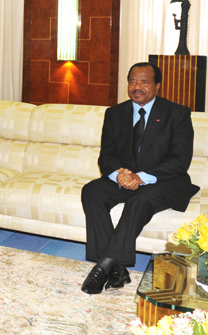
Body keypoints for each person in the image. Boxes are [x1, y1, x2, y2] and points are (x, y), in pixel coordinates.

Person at [80, 62, 199, 294]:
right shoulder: (115, 113)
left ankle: (103, 265)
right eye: (133, 81)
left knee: (139, 201)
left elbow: (180, 160)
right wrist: (119, 175)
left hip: (163, 181)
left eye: (144, 82)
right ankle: (118, 268)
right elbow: (107, 156)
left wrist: (141, 177)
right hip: (126, 179)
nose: (137, 87)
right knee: (92, 190)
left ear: (157, 86)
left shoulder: (177, 113)